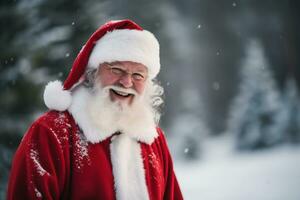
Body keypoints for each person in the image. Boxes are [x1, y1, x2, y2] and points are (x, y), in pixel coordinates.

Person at [7, 19, 183, 200]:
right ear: (93, 73)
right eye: (117, 70)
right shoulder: (51, 132)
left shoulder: (154, 139)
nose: (127, 82)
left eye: (138, 75)